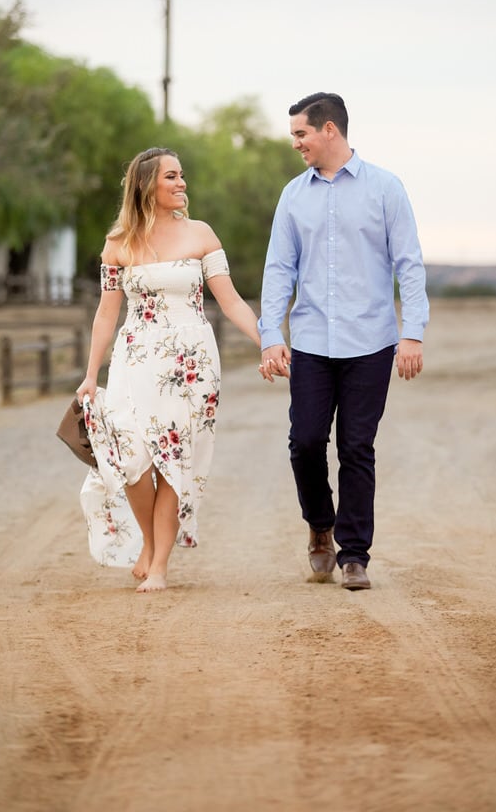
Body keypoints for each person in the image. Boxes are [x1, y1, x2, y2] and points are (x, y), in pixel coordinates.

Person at [258, 92, 429, 590]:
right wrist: (272, 335)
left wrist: (412, 332)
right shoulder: (293, 195)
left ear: (329, 129)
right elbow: (278, 270)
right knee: (305, 442)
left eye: (301, 133)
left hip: (371, 341)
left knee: (357, 447)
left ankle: (355, 554)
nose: (296, 143)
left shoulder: (385, 189)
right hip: (311, 338)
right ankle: (320, 524)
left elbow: (409, 265)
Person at [76, 147, 261, 593]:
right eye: (172, 177)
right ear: (147, 186)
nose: (182, 184)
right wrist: (89, 374)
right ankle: (148, 540)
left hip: (190, 363)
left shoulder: (201, 235)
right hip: (134, 359)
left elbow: (231, 300)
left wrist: (269, 342)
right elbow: (106, 314)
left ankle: (159, 564)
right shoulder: (118, 244)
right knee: (130, 458)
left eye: (182, 176)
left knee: (174, 460)